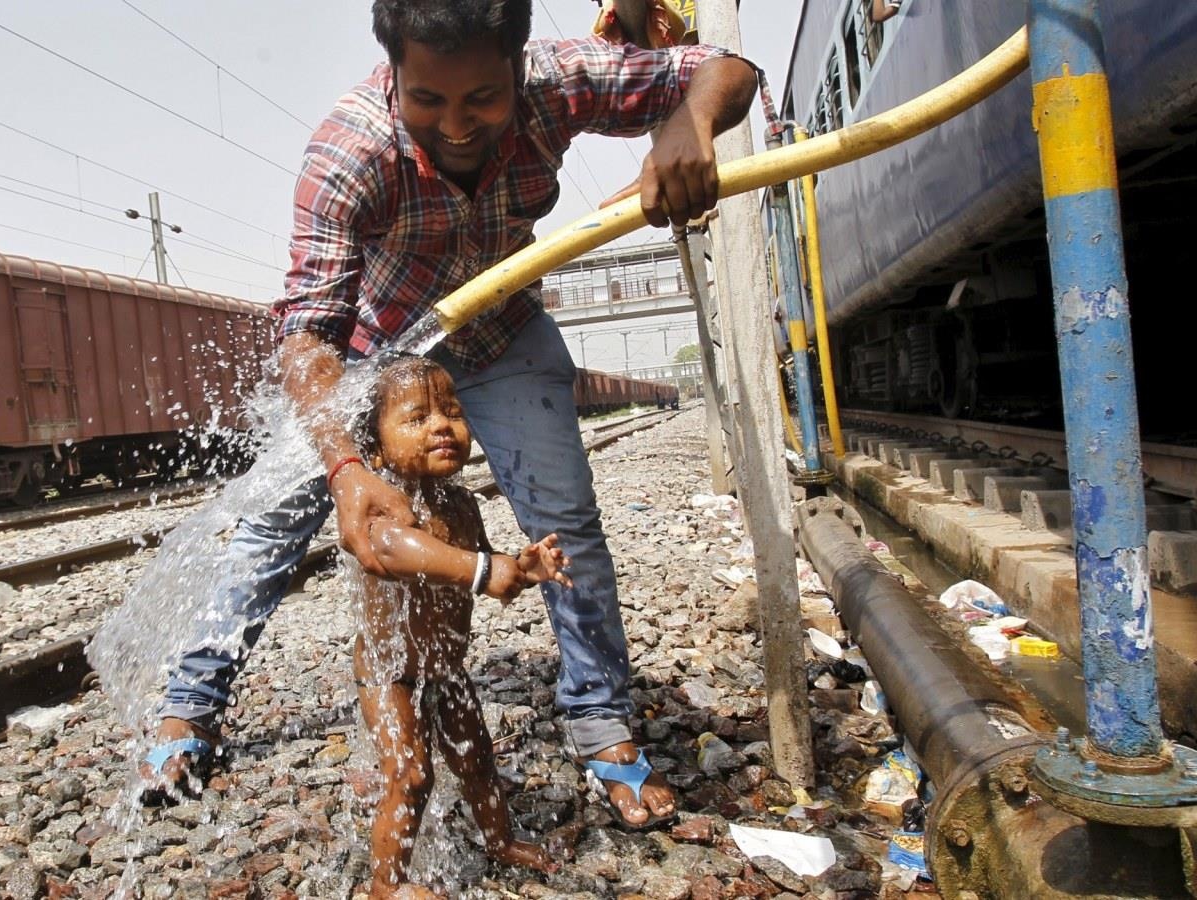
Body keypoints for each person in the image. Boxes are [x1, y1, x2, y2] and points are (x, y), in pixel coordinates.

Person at [141, 0, 757, 830]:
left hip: (502, 332)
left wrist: (689, 122)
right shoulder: (348, 150)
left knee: (565, 526)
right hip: (377, 352)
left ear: (518, 65)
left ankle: (602, 721)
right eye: (429, 99)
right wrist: (347, 467)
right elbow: (305, 336)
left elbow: (729, 70)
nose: (458, 125)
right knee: (270, 525)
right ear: (393, 68)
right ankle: (190, 706)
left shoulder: (559, 81)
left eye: (484, 99)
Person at [346, 354, 564, 898]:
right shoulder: (385, 505)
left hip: (447, 667)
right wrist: (483, 571)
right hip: (389, 672)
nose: (443, 425)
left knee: (477, 759)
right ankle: (386, 886)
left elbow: (487, 564)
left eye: (452, 412)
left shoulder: (462, 501)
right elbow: (396, 550)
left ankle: (500, 839)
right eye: (417, 418)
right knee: (412, 777)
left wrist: (521, 568)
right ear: (374, 450)